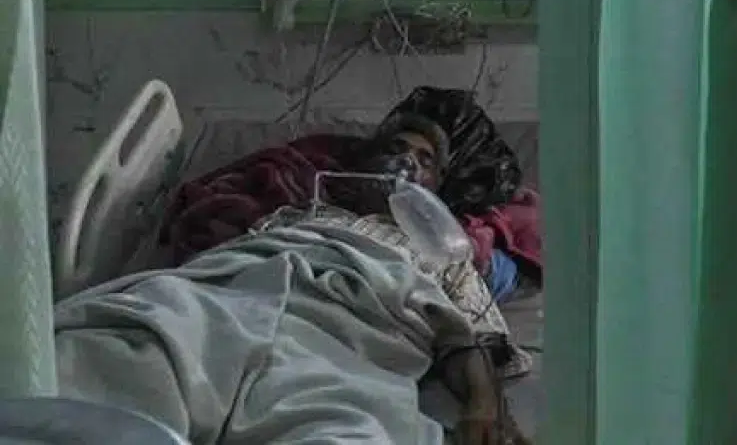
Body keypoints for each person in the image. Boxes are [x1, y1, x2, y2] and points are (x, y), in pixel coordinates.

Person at [54, 115, 531, 445]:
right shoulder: (304, 209)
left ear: (435, 188)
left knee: (339, 433)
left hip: (347, 340)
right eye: (396, 149)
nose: (407, 163)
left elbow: (472, 336)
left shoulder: (448, 251)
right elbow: (232, 251)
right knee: (114, 362)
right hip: (234, 297)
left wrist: (484, 408)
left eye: (425, 161)